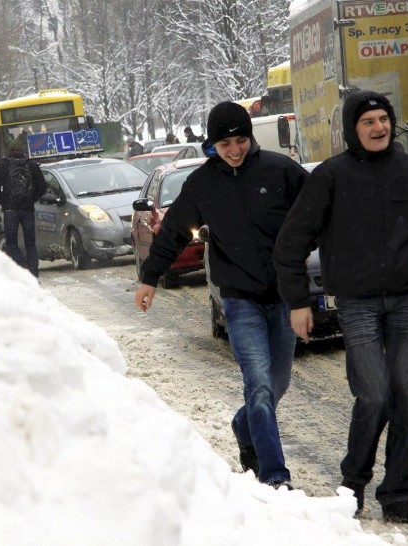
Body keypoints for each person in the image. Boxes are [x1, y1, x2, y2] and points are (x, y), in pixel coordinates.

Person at [273, 90, 408, 523]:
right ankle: (352, 487)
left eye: (383, 119)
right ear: (352, 130)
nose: (379, 128)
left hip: (404, 302)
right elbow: (290, 245)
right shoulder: (330, 177)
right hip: (357, 303)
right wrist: (298, 302)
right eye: (368, 122)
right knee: (375, 395)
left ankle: (396, 496)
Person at [133, 101, 308, 489]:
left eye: (241, 140)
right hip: (239, 298)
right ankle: (275, 476)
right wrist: (150, 278)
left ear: (250, 138)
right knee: (259, 385)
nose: (234, 150)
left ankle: (242, 426)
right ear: (212, 145)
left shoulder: (280, 171)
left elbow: (319, 211)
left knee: (276, 387)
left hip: (283, 296)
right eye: (224, 143)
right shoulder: (202, 184)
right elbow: (173, 232)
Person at [0, 142, 47, 277]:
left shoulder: (3, 165)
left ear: (8, 152)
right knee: (30, 243)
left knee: (11, 243)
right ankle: (34, 272)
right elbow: (42, 186)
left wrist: (3, 201)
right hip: (28, 209)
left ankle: (23, 266)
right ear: (23, 152)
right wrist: (32, 198)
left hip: (10, 210)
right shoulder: (31, 165)